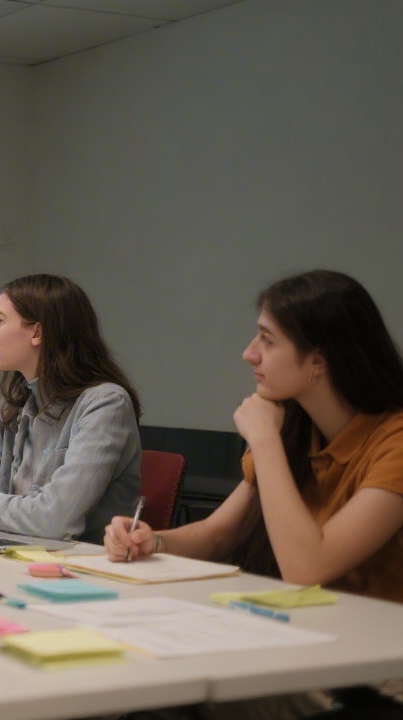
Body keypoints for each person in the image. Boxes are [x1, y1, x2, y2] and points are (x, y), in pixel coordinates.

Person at [107, 272, 403, 716]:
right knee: (147, 682)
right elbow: (219, 533)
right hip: (305, 641)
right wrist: (154, 541)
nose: (249, 353)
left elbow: (308, 567)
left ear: (317, 361)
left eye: (267, 340)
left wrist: (264, 442)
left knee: (170, 697)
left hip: (376, 668)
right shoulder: (296, 427)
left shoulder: (392, 440)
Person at [0, 274, 142, 544]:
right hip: (17, 557)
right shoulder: (17, 405)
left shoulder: (106, 404)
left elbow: (55, 519)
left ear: (37, 333)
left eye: (0, 320)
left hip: (81, 571)